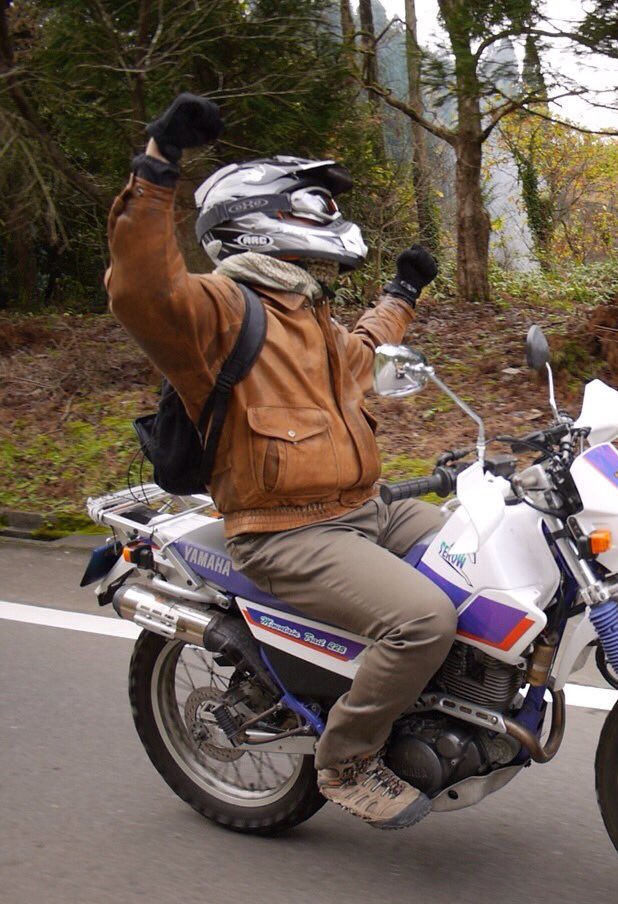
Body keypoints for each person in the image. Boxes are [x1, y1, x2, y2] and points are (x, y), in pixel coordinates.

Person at [106, 92, 455, 830]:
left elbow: (364, 351)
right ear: (259, 216)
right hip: (286, 530)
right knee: (422, 619)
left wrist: (402, 292)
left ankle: (441, 712)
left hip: (367, 508)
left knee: (484, 553)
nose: (327, 213)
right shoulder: (217, 310)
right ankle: (347, 760)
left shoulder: (308, 314)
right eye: (313, 203)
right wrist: (158, 164)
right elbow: (141, 287)